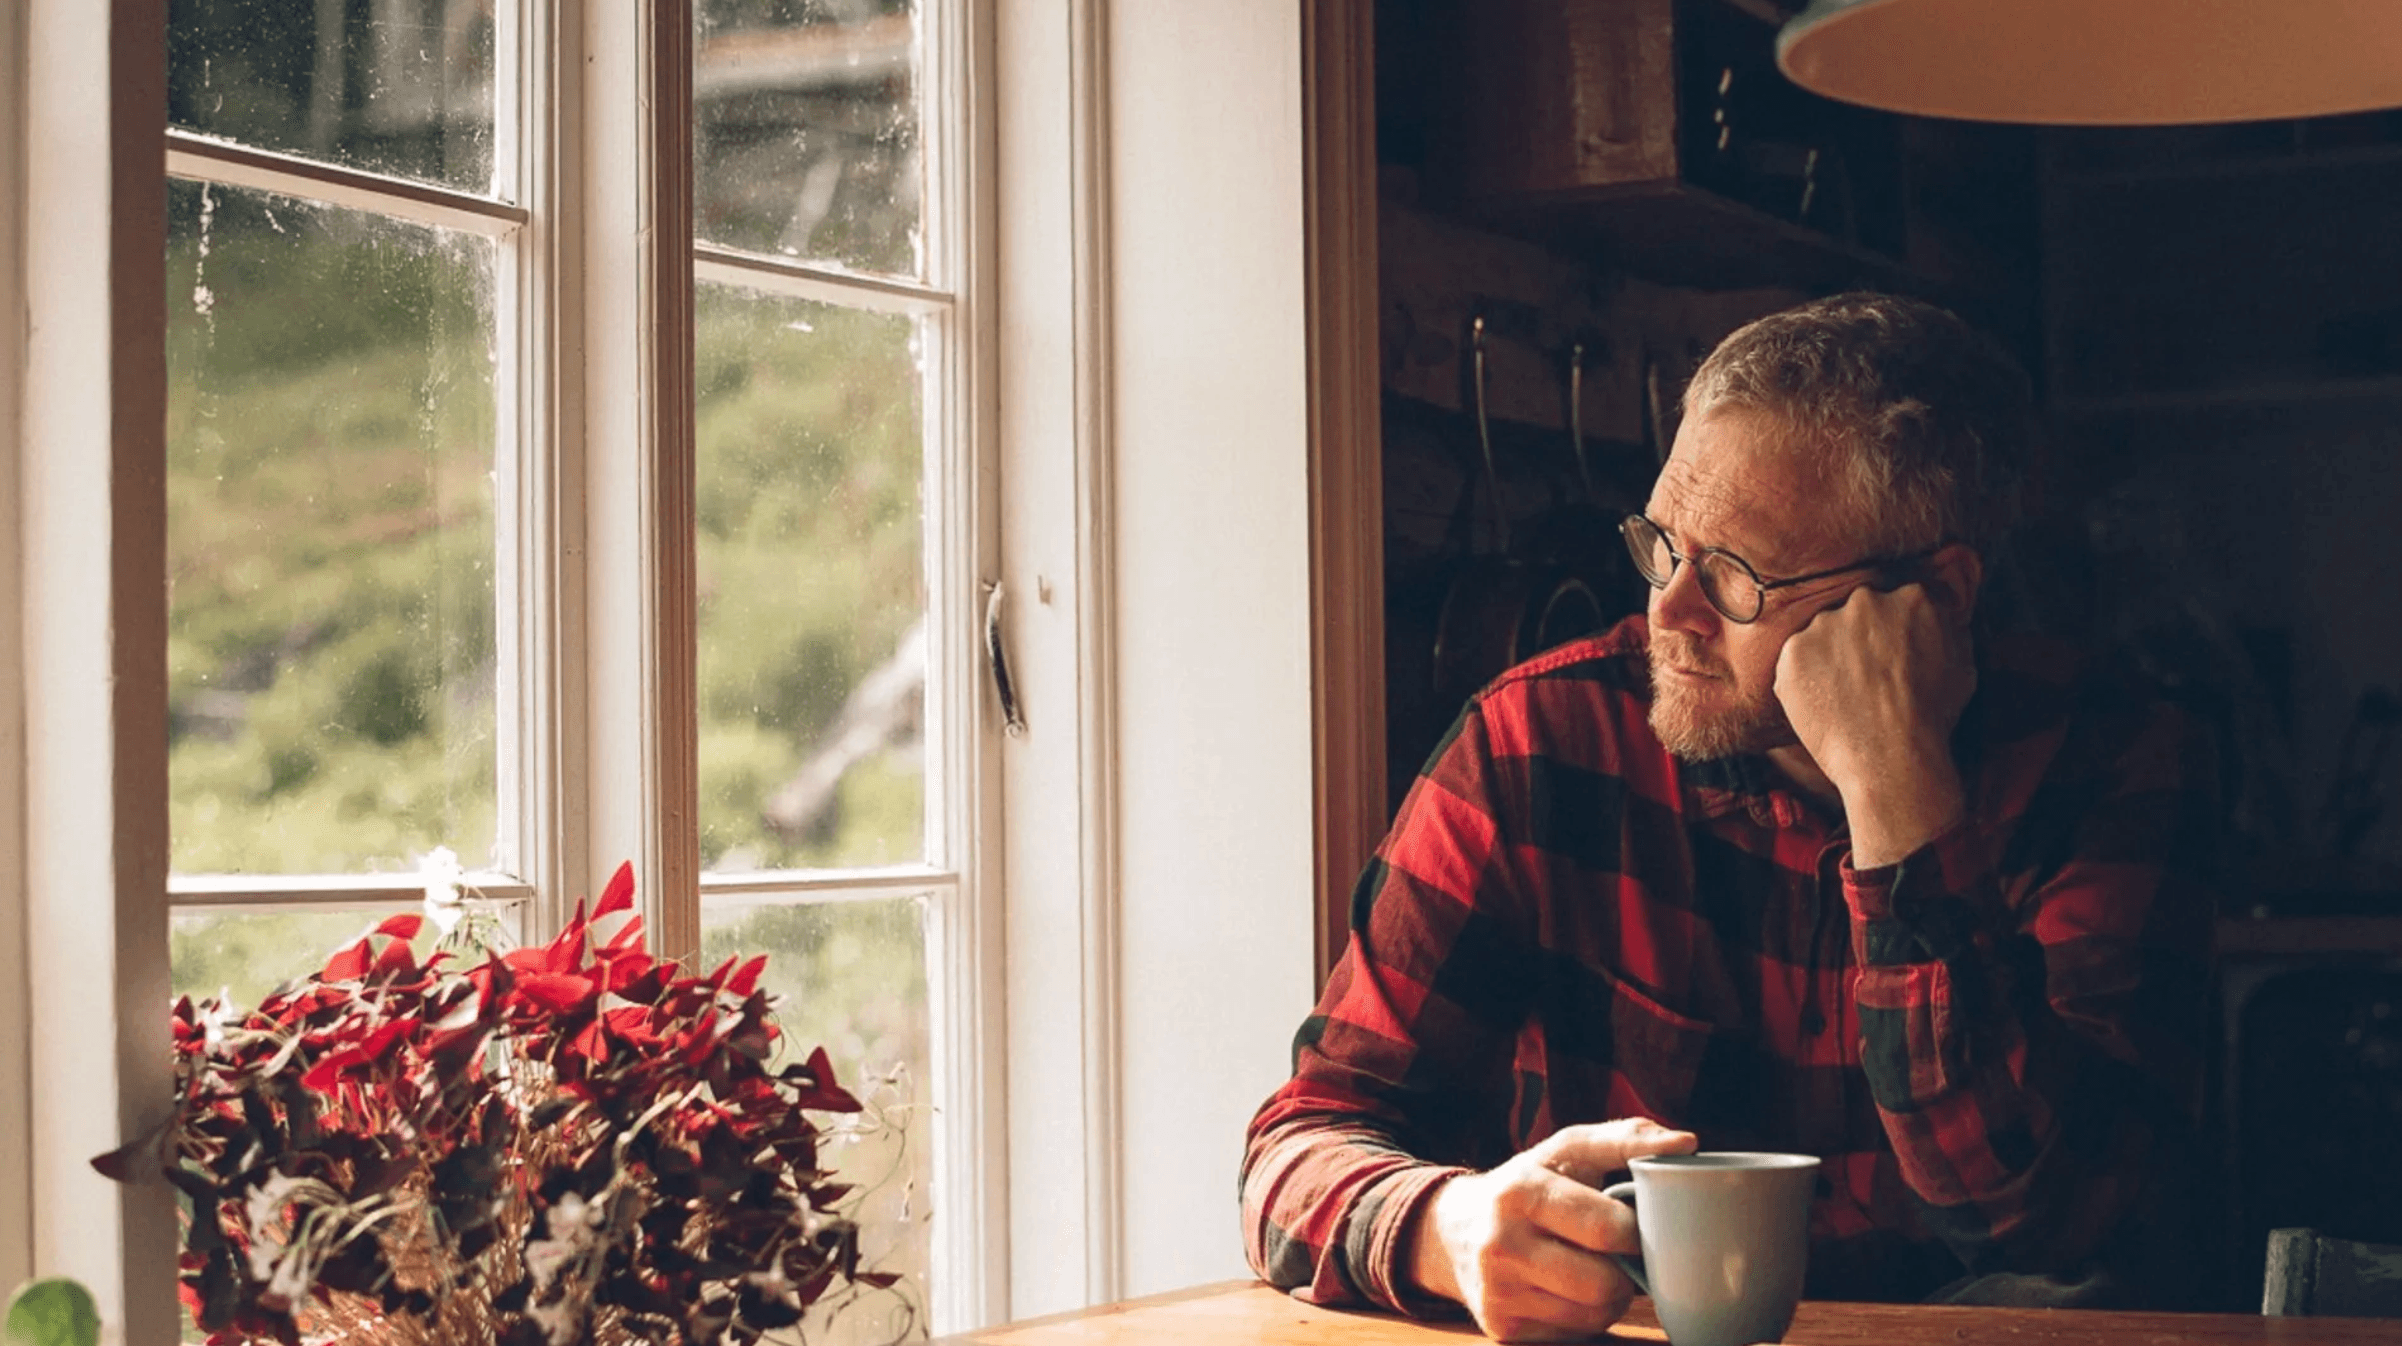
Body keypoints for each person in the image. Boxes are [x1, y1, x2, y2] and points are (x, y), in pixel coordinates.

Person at [1241, 293, 2219, 1341]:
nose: (1668, 609)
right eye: (1661, 544)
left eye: (1737, 576)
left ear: (1932, 592)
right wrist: (1446, 1222)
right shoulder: (1538, 739)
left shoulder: (2108, 757)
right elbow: (1301, 1144)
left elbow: (2043, 1222)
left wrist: (1896, 791)